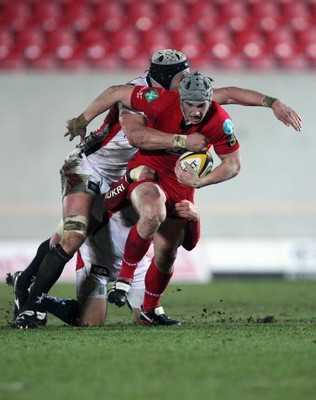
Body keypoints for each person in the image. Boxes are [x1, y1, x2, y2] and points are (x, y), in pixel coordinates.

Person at [13, 49, 301, 329]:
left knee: (82, 239)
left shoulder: (184, 96)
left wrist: (271, 101)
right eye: (183, 74)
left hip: (130, 176)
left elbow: (227, 94)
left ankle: (30, 284)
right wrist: (83, 120)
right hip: (91, 166)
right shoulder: (144, 96)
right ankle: (29, 303)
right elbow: (137, 135)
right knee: (74, 231)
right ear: (166, 78)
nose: (189, 78)